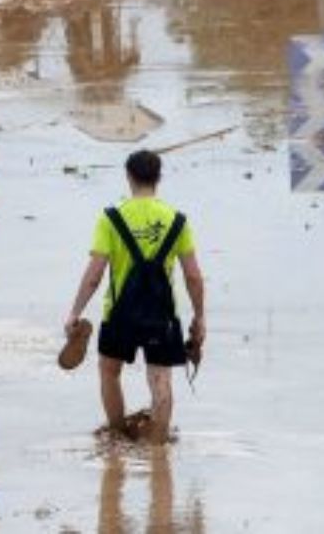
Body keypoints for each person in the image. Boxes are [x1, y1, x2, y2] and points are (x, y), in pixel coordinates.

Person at [63, 150, 205, 443]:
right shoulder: (177, 221)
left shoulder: (111, 218)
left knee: (109, 373)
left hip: (119, 314)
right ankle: (158, 450)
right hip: (162, 316)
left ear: (129, 177)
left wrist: (75, 312)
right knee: (161, 380)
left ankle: (117, 436)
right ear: (158, 178)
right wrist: (200, 317)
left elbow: (94, 274)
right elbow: (193, 276)